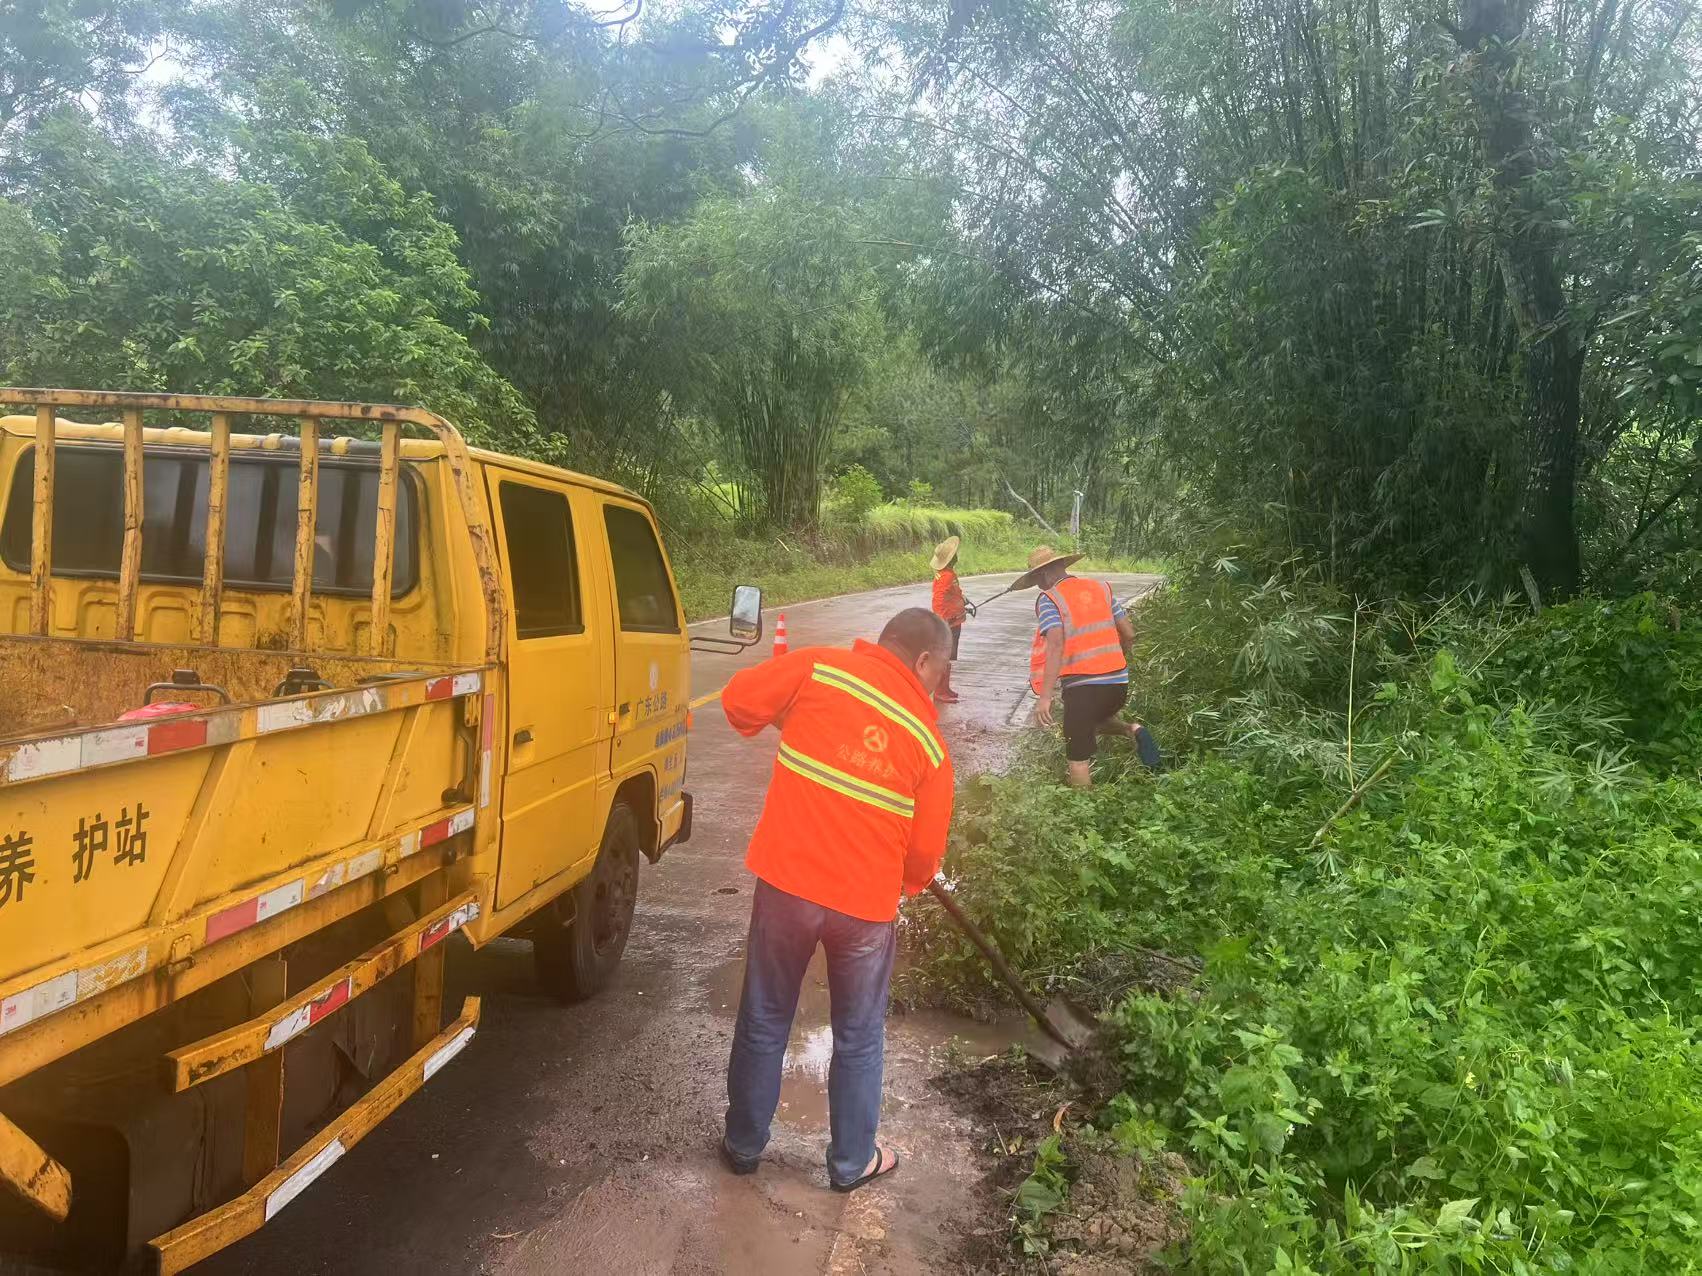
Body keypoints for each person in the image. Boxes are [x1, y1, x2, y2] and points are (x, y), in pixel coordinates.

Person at [719, 608, 956, 1192]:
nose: (937, 683)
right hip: (864, 909)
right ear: (923, 660)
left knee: (766, 1015)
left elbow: (738, 702)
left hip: (787, 887)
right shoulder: (929, 747)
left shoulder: (820, 671)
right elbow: (924, 860)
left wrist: (791, 712)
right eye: (941, 669)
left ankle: (743, 1145)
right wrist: (893, 885)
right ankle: (852, 1163)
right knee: (858, 1034)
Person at [1017, 545, 1152, 787]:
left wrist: (1045, 698)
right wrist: (1112, 663)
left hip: (1083, 688)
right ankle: (1132, 729)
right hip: (1119, 685)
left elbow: (1055, 646)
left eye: (1037, 579)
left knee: (1077, 756)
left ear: (1044, 574)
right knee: (1092, 722)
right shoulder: (1102, 589)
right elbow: (1129, 634)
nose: (1039, 585)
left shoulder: (1050, 599)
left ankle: (1082, 817)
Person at [928, 536, 974, 704]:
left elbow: (952, 593)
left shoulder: (946, 574)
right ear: (950, 558)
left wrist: (963, 599)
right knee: (945, 657)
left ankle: (945, 688)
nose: (957, 556)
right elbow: (939, 598)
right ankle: (940, 692)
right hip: (948, 622)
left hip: (954, 621)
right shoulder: (946, 576)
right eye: (954, 554)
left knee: (949, 657)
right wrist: (941, 620)